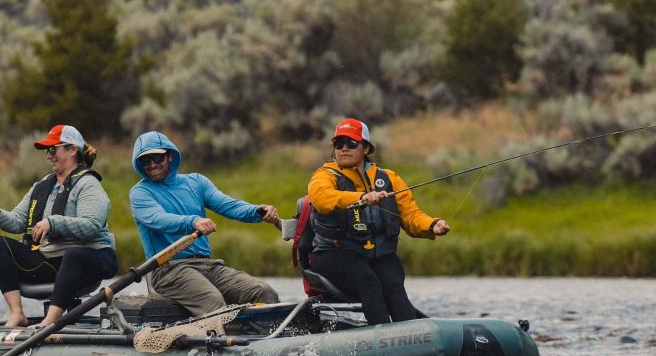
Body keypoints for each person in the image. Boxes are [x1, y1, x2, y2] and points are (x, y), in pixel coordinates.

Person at [0, 125, 117, 328]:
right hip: (49, 262)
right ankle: (17, 314)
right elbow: (17, 221)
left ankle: (49, 322)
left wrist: (53, 222)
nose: (48, 156)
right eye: (47, 151)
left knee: (74, 255)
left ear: (72, 149)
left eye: (53, 150)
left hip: (90, 260)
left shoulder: (89, 185)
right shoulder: (42, 186)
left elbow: (91, 225)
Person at [306, 118, 450, 325]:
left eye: (351, 144)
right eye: (339, 144)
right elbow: (321, 199)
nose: (344, 149)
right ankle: (382, 338)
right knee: (368, 281)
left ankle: (413, 338)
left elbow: (410, 215)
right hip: (333, 254)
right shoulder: (324, 175)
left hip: (377, 254)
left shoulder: (388, 178)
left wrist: (432, 225)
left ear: (365, 148)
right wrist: (360, 198)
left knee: (393, 283)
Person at [129, 130, 281, 316]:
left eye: (156, 158)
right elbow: (158, 219)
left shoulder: (196, 182)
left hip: (206, 266)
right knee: (213, 301)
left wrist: (258, 211)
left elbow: (228, 205)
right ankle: (225, 338)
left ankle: (264, 340)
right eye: (145, 161)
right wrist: (194, 221)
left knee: (264, 291)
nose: (152, 165)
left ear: (169, 156)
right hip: (167, 271)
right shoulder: (140, 193)